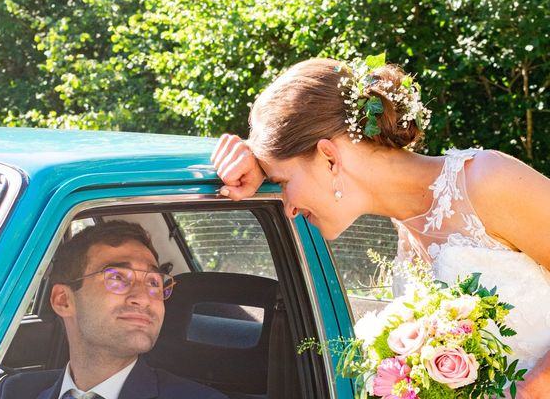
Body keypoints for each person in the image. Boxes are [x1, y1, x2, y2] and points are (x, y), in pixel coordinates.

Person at [211, 57, 550, 398]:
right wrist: (250, 159)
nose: (288, 208)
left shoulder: (486, 181)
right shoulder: (406, 227)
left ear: (330, 157)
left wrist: (537, 387)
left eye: (282, 183)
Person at [0, 220, 227, 399]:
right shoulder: (17, 391)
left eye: (153, 283)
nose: (144, 298)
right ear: (63, 300)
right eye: (117, 277)